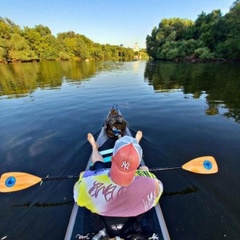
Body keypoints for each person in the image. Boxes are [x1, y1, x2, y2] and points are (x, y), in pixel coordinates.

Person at [73, 131, 163, 217]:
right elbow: (158, 185)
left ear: (112, 158)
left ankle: (94, 147)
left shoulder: (88, 183)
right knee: (145, 169)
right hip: (133, 221)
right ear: (137, 165)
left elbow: (76, 192)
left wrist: (84, 176)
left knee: (97, 165)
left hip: (102, 215)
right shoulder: (154, 184)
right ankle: (135, 150)